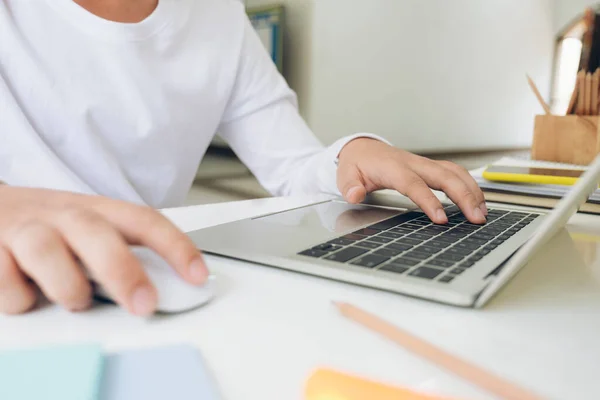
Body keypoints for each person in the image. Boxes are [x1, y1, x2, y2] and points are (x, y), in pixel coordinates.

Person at [0, 0, 487, 316]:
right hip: (26, 294)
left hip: (162, 285)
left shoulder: (216, 14)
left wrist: (350, 153)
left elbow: (292, 164)